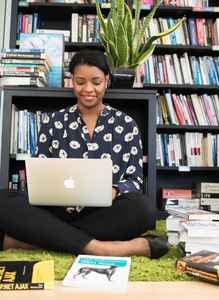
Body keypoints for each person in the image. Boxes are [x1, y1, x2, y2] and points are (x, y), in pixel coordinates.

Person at [0, 49, 170, 259]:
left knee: (143, 208)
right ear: (72, 81)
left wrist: (115, 190)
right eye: (80, 82)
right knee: (3, 200)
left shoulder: (126, 125)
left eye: (96, 82)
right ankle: (104, 248)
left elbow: (134, 180)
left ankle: (36, 239)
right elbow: (39, 175)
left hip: (104, 213)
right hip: (56, 211)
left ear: (107, 81)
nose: (88, 89)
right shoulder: (53, 122)